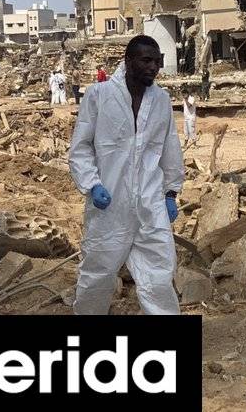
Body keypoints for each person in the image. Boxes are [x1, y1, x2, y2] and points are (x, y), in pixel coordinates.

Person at [68, 35, 184, 315]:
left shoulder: (161, 100)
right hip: (109, 205)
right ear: (128, 61)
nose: (153, 67)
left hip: (150, 203)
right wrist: (92, 184)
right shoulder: (99, 96)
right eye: (146, 60)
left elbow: (169, 146)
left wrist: (170, 192)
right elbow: (81, 147)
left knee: (159, 274)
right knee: (97, 274)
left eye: (157, 61)